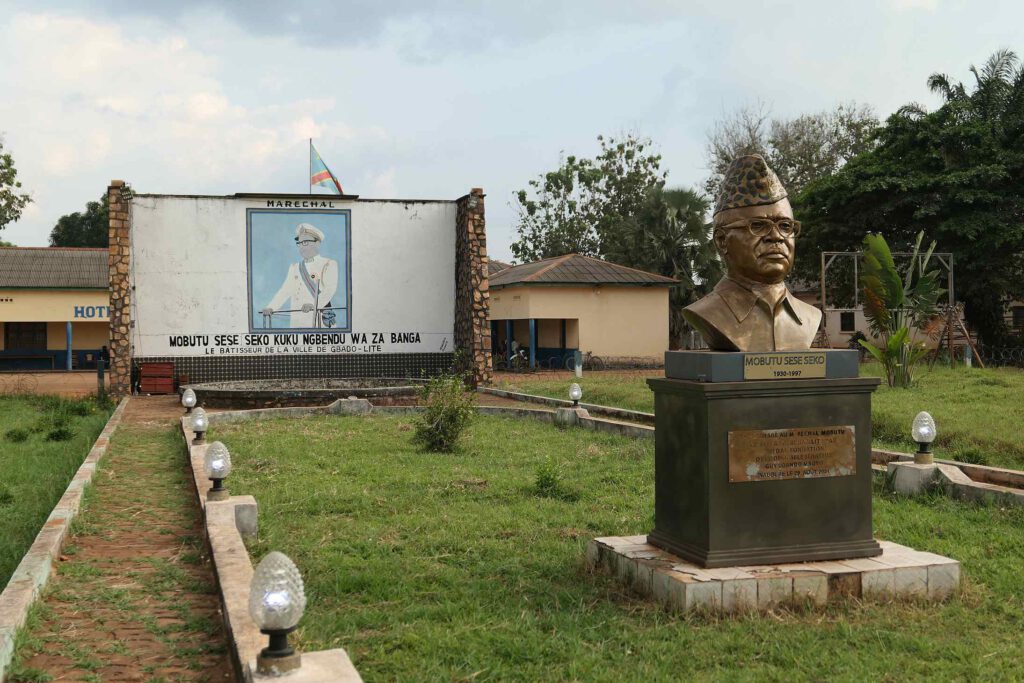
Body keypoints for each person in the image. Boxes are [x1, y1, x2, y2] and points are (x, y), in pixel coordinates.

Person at [682, 155, 821, 351]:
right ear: (722, 241)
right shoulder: (708, 313)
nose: (776, 237)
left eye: (785, 226)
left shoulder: (810, 316)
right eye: (758, 225)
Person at [260, 223, 339, 329]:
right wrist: (271, 307)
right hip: (297, 321)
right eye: (299, 243)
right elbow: (285, 291)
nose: (301, 246)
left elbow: (329, 290)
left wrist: (313, 304)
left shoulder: (328, 264)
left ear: (317, 243)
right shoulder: (294, 267)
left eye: (305, 242)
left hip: (318, 320)